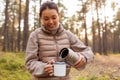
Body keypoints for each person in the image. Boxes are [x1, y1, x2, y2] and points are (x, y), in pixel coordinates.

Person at [25, 1, 94, 80]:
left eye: (54, 17)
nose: (51, 22)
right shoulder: (35, 35)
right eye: (46, 19)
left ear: (59, 16)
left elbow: (88, 51)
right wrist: (44, 68)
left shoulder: (67, 35)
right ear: (41, 19)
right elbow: (30, 62)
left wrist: (84, 57)